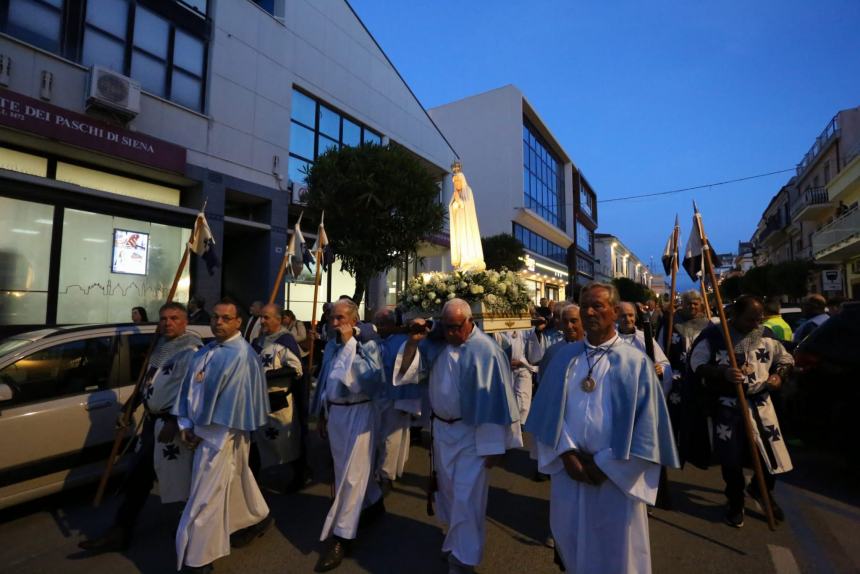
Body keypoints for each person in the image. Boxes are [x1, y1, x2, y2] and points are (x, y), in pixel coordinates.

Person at [526, 282, 679, 573]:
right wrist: (567, 454)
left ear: (614, 311)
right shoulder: (563, 359)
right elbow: (548, 415)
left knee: (617, 552)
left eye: (598, 305)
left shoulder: (636, 363)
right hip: (569, 472)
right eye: (585, 306)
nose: (589, 312)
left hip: (616, 476)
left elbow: (646, 428)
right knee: (572, 545)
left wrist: (604, 465)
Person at [396, 299, 521, 574]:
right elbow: (407, 374)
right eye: (446, 326)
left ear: (470, 322)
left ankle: (464, 560)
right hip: (442, 432)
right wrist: (414, 342)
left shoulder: (486, 351)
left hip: (472, 434)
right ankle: (454, 544)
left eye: (456, 327)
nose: (451, 332)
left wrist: (493, 446)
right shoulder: (436, 345)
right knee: (449, 493)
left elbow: (496, 399)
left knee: (468, 498)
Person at [78, 303, 202, 554]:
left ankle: (196, 533)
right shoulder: (160, 347)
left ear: (185, 321)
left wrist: (174, 419)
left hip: (173, 426)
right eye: (164, 318)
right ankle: (119, 533)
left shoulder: (192, 351)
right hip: (151, 424)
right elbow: (148, 383)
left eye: (174, 318)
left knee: (183, 480)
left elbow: (193, 392)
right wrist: (129, 407)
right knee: (138, 478)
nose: (168, 323)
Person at [174, 300, 272, 573]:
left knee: (205, 495)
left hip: (220, 436)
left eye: (226, 318)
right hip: (201, 431)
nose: (218, 322)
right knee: (235, 478)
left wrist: (198, 431)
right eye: (216, 317)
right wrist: (184, 422)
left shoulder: (241, 356)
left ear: (238, 322)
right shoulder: (206, 351)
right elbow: (189, 391)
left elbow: (232, 406)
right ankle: (256, 517)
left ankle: (198, 559)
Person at [689, 295, 794, 528]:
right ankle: (735, 501)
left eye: (759, 319)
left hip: (761, 404)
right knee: (732, 458)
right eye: (750, 320)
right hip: (729, 406)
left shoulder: (765, 334)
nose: (756, 325)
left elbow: (785, 357)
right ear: (735, 316)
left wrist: (779, 375)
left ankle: (761, 490)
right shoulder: (715, 335)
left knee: (770, 454)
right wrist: (722, 373)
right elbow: (696, 364)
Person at [310, 299, 385, 572]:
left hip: (359, 413)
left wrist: (352, 345)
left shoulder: (369, 346)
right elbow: (327, 381)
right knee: (345, 471)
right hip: (335, 416)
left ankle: (342, 536)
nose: (334, 323)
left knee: (352, 476)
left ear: (354, 320)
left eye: (340, 318)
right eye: (332, 318)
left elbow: (373, 381)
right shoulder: (331, 345)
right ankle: (374, 503)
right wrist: (321, 412)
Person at [252, 304, 305, 490]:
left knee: (286, 443)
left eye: (266, 317)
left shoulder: (285, 341)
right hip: (259, 401)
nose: (262, 321)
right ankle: (254, 482)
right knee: (258, 442)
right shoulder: (258, 342)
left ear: (278, 319)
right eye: (261, 317)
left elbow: (296, 369)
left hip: (280, 401)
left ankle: (297, 477)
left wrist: (269, 376)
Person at [372, 308, 421, 495]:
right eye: (378, 324)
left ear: (392, 324)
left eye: (383, 324)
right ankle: (378, 471)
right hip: (378, 398)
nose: (380, 328)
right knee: (378, 438)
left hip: (396, 398)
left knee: (391, 439)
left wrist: (406, 401)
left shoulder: (403, 342)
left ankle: (386, 476)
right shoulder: (376, 342)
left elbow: (410, 371)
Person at [616, 301, 672, 392]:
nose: (627, 319)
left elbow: (664, 364)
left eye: (630, 315)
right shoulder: (610, 339)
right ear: (616, 317)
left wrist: (660, 369)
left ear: (635, 317)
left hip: (641, 391)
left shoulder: (644, 338)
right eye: (623, 316)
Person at [448, 167, 485, 272]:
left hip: (467, 223)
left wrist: (459, 201)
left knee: (467, 240)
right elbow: (451, 207)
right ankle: (461, 262)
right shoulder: (454, 194)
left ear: (462, 181)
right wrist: (455, 204)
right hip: (458, 223)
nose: (456, 184)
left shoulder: (468, 191)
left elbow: (468, 206)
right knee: (460, 241)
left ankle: (469, 261)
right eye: (454, 182)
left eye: (458, 181)